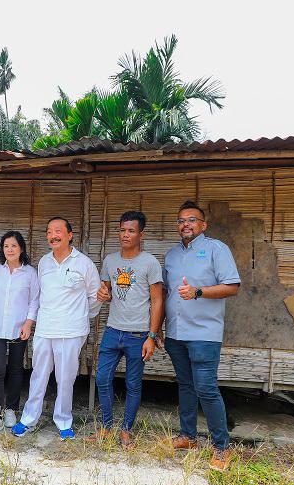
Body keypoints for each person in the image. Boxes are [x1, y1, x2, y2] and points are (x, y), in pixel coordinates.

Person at [163, 200, 240, 471]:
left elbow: (232, 286)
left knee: (206, 388)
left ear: (203, 225)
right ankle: (188, 437)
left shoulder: (216, 249)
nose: (185, 224)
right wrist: (159, 328)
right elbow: (166, 294)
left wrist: (199, 291)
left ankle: (222, 447)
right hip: (175, 332)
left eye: (192, 219)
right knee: (185, 385)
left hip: (204, 333)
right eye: (181, 220)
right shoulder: (171, 255)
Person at [12, 217, 101, 440]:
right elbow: (40, 296)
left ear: (70, 235)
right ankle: (28, 419)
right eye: (49, 231)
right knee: (38, 375)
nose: (53, 235)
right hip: (45, 328)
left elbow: (95, 297)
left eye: (58, 231)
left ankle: (63, 422)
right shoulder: (44, 262)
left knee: (66, 377)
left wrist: (78, 317)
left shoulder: (84, 263)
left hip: (71, 331)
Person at [92, 211, 164, 448]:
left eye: (131, 231)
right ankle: (106, 426)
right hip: (113, 330)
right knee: (102, 378)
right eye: (122, 230)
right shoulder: (111, 261)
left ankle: (126, 431)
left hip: (138, 334)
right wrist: (104, 293)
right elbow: (107, 291)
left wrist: (151, 336)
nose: (126, 234)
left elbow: (157, 301)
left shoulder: (150, 262)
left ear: (141, 234)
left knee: (133, 384)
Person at [0, 231, 40, 436]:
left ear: (21, 248)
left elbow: (34, 301)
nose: (10, 250)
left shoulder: (30, 273)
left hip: (18, 328)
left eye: (14, 246)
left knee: (15, 369)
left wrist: (29, 323)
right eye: (6, 246)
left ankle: (11, 409)